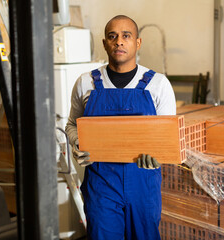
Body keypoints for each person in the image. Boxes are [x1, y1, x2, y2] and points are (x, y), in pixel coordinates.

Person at [65, 15, 176, 240]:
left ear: (138, 42)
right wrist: (77, 143)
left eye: (126, 36)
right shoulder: (85, 83)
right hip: (101, 183)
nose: (119, 41)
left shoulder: (158, 84)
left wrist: (158, 156)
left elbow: (168, 137)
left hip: (143, 182)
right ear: (105, 43)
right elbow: (71, 125)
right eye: (112, 36)